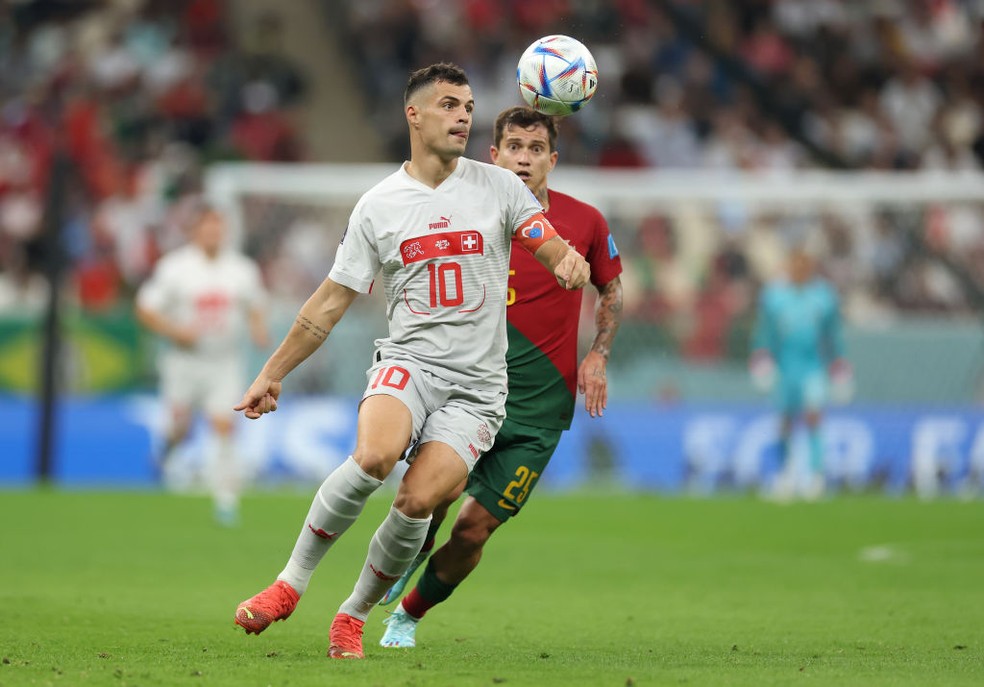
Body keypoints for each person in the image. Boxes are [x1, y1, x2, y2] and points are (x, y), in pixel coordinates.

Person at [232, 63, 590, 660]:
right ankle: (289, 585)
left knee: (418, 502)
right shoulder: (378, 205)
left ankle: (352, 615)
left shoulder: (500, 187)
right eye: (450, 105)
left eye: (469, 107)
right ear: (414, 114)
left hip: (477, 389)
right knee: (373, 456)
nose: (463, 116)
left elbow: (550, 246)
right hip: (409, 364)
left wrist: (567, 263)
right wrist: (272, 373)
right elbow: (328, 303)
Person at [377, 106, 624, 649]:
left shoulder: (584, 222)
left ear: (552, 161)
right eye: (514, 146)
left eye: (536, 150)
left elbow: (611, 288)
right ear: (493, 155)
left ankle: (409, 617)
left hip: (538, 413)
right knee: (429, 502)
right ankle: (400, 561)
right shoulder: (466, 213)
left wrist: (598, 354)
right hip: (467, 392)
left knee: (472, 530)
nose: (524, 158)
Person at [135, 203, 269, 525]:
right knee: (179, 425)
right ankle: (165, 453)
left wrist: (257, 328)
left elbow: (255, 304)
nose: (213, 233)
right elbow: (145, 308)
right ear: (195, 231)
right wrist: (175, 332)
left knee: (224, 423)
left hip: (224, 361)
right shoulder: (175, 268)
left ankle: (226, 500)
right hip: (184, 361)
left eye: (218, 227)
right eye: (207, 227)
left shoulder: (241, 269)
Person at [749, 248, 851, 501]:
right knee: (784, 421)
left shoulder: (823, 297)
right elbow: (766, 333)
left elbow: (831, 336)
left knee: (814, 416)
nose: (798, 271)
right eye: (794, 265)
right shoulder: (774, 298)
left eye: (803, 266)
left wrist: (838, 365)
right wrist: (762, 359)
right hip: (785, 368)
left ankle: (816, 477)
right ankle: (785, 474)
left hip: (812, 367)